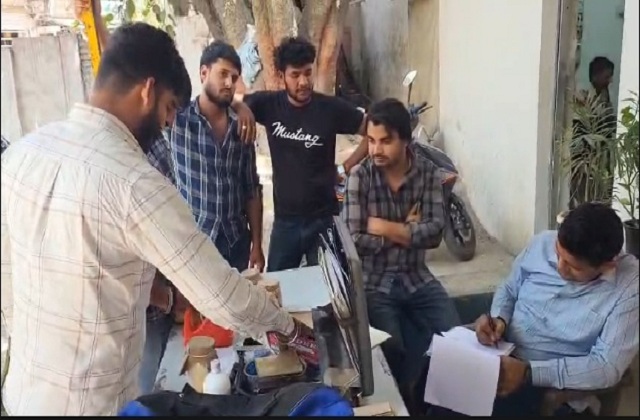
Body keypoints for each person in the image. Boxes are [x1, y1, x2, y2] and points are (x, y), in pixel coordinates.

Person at [0, 22, 311, 416]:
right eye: (167, 108)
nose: (167, 124)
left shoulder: (22, 154)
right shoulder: (134, 182)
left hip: (23, 398)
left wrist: (165, 296)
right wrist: (293, 331)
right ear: (147, 91)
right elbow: (221, 295)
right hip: (91, 406)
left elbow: (31, 274)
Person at [74, 2, 263, 395]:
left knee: (227, 335)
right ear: (203, 73)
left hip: (233, 240)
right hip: (190, 247)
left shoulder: (241, 128)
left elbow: (252, 187)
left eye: (235, 78)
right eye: (222, 74)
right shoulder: (170, 132)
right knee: (184, 346)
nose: (229, 83)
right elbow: (122, 66)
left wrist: (256, 243)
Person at [428, 202, 639, 416]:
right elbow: (509, 288)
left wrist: (529, 372)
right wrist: (499, 319)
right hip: (501, 354)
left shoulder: (629, 286)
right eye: (558, 254)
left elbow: (606, 367)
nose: (560, 268)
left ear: (607, 266)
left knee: (456, 406)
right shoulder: (542, 243)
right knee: (432, 378)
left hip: (547, 386)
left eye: (573, 267)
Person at [341, 99, 460, 395]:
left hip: (416, 276)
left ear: (405, 140)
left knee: (457, 340)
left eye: (385, 141)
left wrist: (383, 227)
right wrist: (407, 230)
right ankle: (406, 399)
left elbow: (435, 233)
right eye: (371, 141)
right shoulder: (360, 176)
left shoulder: (428, 174)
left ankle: (434, 399)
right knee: (390, 352)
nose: (375, 150)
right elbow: (353, 239)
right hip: (374, 282)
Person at [236, 36, 368, 272]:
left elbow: (374, 130)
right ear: (282, 76)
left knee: (328, 288)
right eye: (295, 75)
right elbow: (229, 101)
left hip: (324, 220)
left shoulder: (330, 108)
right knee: (278, 285)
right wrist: (241, 107)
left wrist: (345, 166)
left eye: (308, 72)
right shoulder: (269, 105)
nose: (304, 82)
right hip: (285, 222)